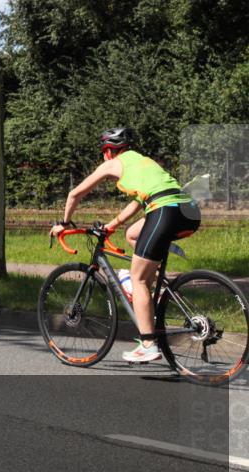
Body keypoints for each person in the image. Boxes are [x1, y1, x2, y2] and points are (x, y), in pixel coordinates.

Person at [49, 128, 201, 363]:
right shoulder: (143, 161)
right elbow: (139, 202)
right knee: (132, 235)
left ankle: (148, 344)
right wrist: (112, 225)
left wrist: (64, 223)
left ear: (109, 151)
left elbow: (74, 194)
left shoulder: (112, 163)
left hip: (164, 211)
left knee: (137, 279)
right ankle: (159, 288)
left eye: (104, 152)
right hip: (188, 211)